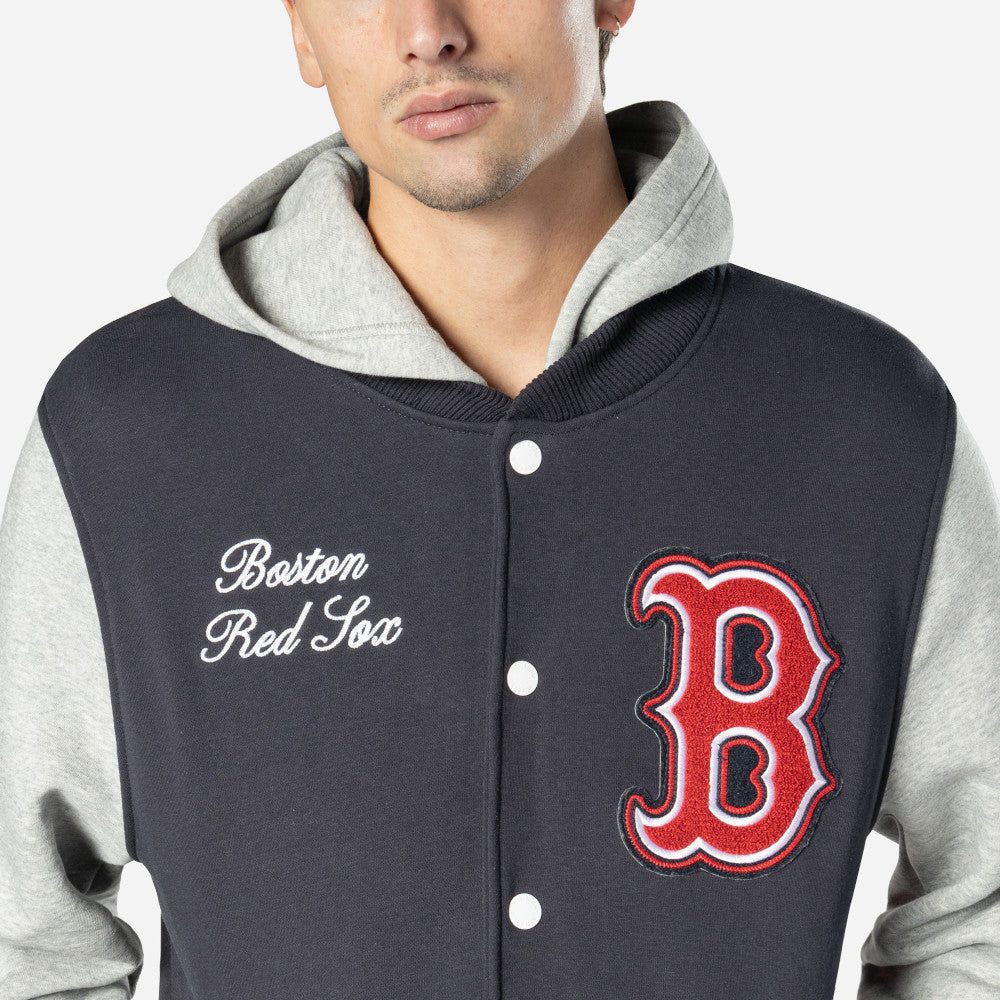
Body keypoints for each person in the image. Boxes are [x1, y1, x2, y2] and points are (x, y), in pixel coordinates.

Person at [1, 1, 998, 997]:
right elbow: (24, 941)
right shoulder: (126, 433)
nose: (427, 28)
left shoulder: (862, 418)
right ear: (302, 30)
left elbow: (981, 912)